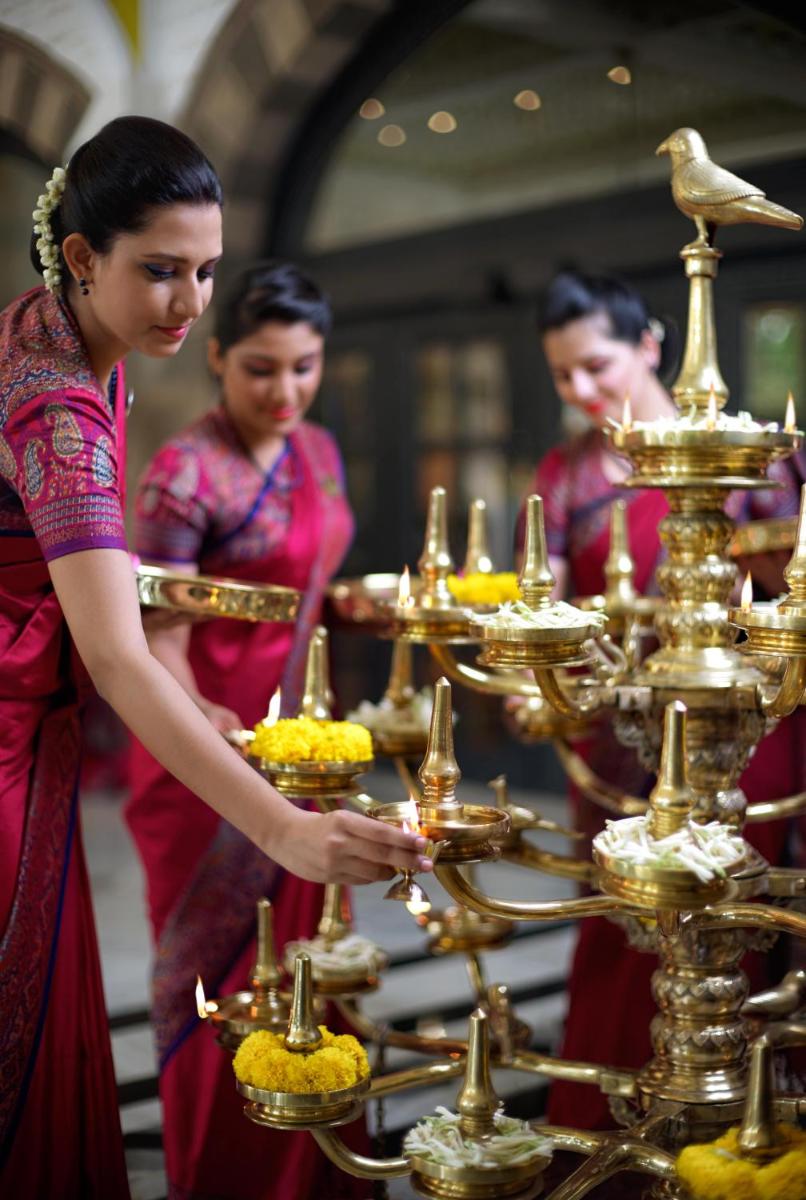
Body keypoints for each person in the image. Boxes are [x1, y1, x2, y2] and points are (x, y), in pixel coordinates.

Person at [0, 117, 430, 1200]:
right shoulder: (61, 407)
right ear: (82, 255)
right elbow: (118, 654)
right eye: (160, 272)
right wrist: (283, 826)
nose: (189, 305)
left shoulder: (59, 342)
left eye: (203, 270)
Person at [518, 270, 802, 1128]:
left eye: (596, 365)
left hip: (739, 728)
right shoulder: (565, 473)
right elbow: (553, 608)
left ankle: (743, 1126)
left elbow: (786, 581)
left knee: (739, 913)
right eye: (562, 375)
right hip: (616, 736)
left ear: (648, 344)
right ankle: (610, 1135)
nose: (581, 390)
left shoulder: (741, 449)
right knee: (622, 917)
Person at [126, 261, 366, 1199]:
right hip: (204, 752)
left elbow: (313, 592)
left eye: (305, 367)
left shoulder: (319, 454)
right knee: (216, 985)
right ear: (218, 357)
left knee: (315, 968)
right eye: (262, 369)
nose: (286, 391)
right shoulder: (184, 471)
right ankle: (222, 1177)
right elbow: (157, 636)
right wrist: (210, 724)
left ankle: (315, 1174)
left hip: (303, 746)